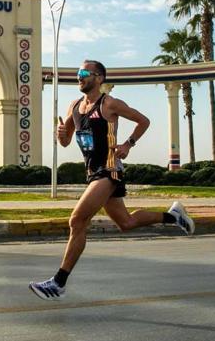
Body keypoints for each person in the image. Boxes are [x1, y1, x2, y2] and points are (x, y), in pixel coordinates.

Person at [29, 60, 194, 301]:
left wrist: (128, 144)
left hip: (108, 170)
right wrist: (61, 135)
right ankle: (174, 216)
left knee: (77, 220)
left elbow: (143, 120)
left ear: (99, 78)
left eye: (84, 73)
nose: (79, 77)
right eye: (78, 73)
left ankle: (58, 282)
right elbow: (65, 141)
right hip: (92, 172)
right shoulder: (74, 106)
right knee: (125, 223)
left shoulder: (109, 104)